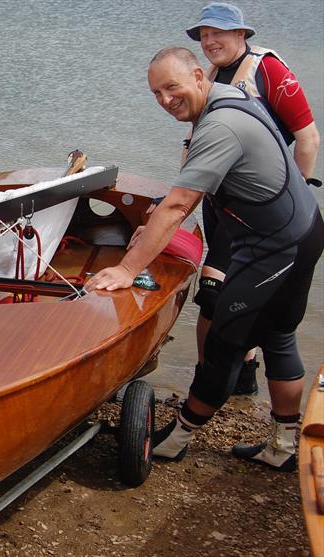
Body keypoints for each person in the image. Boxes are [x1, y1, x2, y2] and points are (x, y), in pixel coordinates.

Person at [85, 47, 323, 472]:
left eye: (171, 87)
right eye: (155, 92)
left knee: (224, 343)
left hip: (275, 245)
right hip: (302, 228)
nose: (164, 100)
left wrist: (127, 268)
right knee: (279, 334)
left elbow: (180, 205)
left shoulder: (219, 127)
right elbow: (190, 194)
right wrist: (158, 216)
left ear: (198, 76)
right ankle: (284, 446)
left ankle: (176, 438)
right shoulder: (232, 96)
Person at [185, 2, 321, 395]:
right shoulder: (210, 74)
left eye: (218, 33)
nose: (210, 42)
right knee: (214, 297)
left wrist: (294, 196)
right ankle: (226, 377)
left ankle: (225, 381)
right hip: (223, 206)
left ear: (241, 34)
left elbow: (308, 137)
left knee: (238, 300)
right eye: (204, 36)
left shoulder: (270, 71)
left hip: (263, 212)